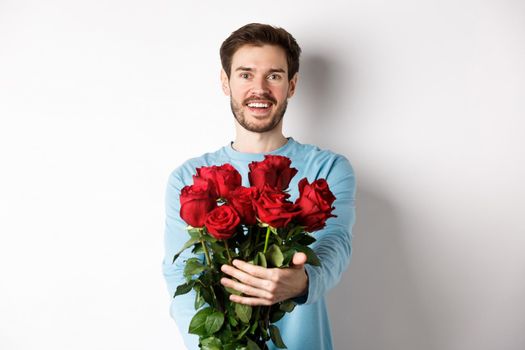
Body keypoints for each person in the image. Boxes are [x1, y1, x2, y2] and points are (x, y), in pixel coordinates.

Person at [162, 23, 356, 350]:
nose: (260, 88)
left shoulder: (328, 168)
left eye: (274, 76)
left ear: (292, 85)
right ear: (226, 82)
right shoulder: (190, 177)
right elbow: (181, 274)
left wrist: (304, 282)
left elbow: (335, 245)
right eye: (246, 74)